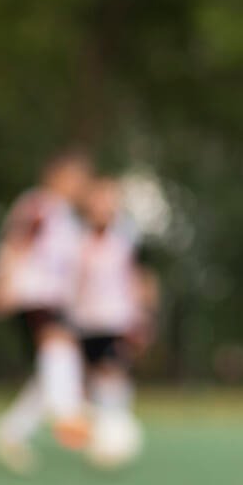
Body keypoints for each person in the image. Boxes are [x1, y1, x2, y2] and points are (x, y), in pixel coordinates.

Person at [0, 151, 93, 473]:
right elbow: (15, 243)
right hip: (31, 295)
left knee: (47, 371)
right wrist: (1, 283)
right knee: (59, 346)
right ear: (56, 176)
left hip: (56, 301)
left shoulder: (70, 220)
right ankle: (68, 414)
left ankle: (10, 434)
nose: (81, 184)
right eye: (77, 176)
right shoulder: (37, 205)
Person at [71, 177, 153, 469]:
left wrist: (142, 317)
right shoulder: (77, 239)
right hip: (84, 322)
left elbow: (139, 279)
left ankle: (118, 435)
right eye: (98, 199)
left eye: (109, 200)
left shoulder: (125, 239)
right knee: (88, 385)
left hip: (117, 320)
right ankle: (100, 438)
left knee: (113, 376)